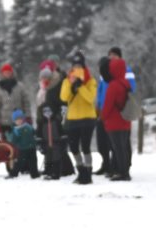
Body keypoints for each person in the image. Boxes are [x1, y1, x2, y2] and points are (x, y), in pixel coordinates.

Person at [95, 47, 137, 176]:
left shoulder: (125, 72)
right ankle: (110, 165)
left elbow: (131, 89)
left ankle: (122, 167)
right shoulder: (106, 73)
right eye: (110, 55)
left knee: (120, 144)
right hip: (106, 110)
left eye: (114, 55)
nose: (111, 57)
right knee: (106, 142)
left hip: (117, 112)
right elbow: (101, 90)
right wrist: (98, 104)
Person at [60, 51, 99, 185]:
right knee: (74, 147)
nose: (77, 69)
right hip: (72, 119)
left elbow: (90, 98)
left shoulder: (90, 80)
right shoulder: (67, 80)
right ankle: (81, 170)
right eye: (74, 66)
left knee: (86, 147)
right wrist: (72, 87)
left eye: (79, 66)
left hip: (87, 118)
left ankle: (88, 173)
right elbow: (63, 98)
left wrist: (81, 86)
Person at [36, 61, 67, 180]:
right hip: (43, 121)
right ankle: (48, 169)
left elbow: (62, 102)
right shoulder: (41, 89)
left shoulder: (56, 86)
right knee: (47, 146)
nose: (44, 80)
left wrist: (58, 117)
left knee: (55, 146)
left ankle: (56, 170)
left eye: (46, 77)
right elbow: (39, 105)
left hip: (54, 120)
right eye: (42, 77)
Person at [0, 63, 31, 140]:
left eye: (9, 72)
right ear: (2, 74)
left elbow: (26, 103)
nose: (7, 74)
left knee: (20, 144)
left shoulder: (20, 86)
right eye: (5, 72)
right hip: (4, 123)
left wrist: (28, 116)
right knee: (6, 146)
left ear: (12, 73)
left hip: (19, 121)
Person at [5, 109, 39, 179]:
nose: (19, 121)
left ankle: (34, 174)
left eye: (20, 119)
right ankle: (13, 173)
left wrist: (36, 139)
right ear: (14, 121)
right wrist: (8, 135)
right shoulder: (16, 130)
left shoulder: (28, 126)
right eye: (17, 120)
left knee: (33, 162)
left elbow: (34, 133)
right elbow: (13, 140)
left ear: (23, 119)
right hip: (22, 149)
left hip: (32, 148)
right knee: (19, 162)